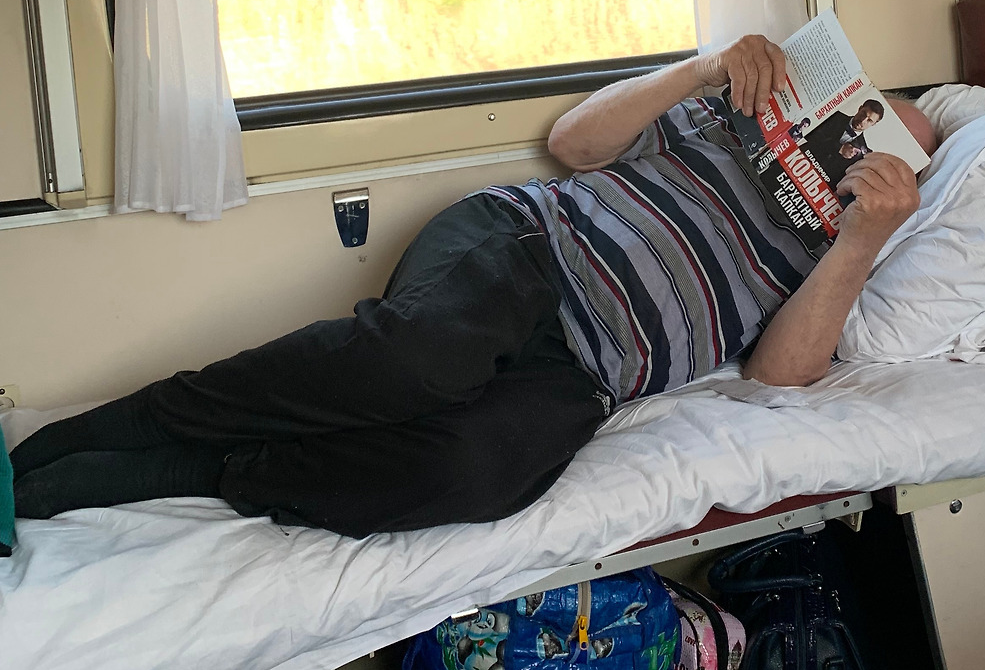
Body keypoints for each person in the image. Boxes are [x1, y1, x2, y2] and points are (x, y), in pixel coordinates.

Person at [12, 35, 936, 539]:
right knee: (421, 363)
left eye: (897, 154)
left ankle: (210, 469)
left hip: (588, 372)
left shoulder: (839, 251)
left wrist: (862, 235)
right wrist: (704, 67)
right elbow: (573, 145)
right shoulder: (723, 117)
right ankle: (141, 419)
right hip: (526, 249)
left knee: (480, 472)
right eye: (864, 123)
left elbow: (779, 375)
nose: (865, 150)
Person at [837, 97, 886, 166]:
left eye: (869, 120)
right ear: (860, 109)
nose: (863, 120)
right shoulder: (835, 116)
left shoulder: (862, 153)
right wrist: (841, 148)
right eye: (863, 114)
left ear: (873, 124)